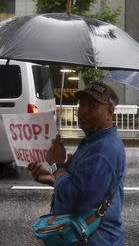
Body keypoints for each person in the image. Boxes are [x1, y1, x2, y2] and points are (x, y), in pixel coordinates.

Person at [28, 81, 126, 245]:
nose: (83, 112)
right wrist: (53, 179)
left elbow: (74, 201)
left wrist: (57, 166)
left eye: (92, 106)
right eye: (82, 105)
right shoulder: (94, 141)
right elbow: (88, 190)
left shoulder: (103, 151)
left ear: (110, 111)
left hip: (96, 239)